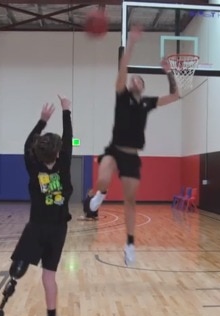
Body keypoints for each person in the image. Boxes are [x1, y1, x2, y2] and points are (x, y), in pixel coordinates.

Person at [88, 25, 181, 266]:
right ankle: (101, 194)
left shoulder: (148, 103)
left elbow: (174, 96)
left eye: (138, 79)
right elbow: (123, 68)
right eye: (132, 79)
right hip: (115, 149)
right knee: (103, 177)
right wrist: (130, 44)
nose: (134, 80)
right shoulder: (121, 95)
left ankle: (130, 244)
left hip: (132, 156)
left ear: (143, 86)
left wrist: (169, 72)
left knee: (130, 202)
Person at [0, 95, 74, 316]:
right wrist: (67, 111)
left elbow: (26, 145)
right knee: (49, 276)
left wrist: (42, 121)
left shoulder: (34, 168)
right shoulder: (64, 166)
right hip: (58, 230)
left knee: (18, 268)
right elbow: (68, 141)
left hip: (36, 228)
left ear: (39, 153)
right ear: (58, 153)